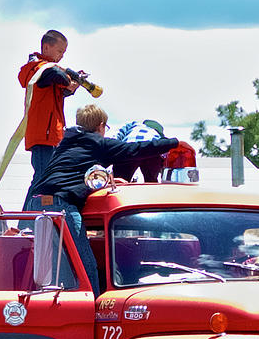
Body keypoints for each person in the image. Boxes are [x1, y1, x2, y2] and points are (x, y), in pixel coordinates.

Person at [24, 105, 179, 295]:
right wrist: (173, 142)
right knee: (84, 262)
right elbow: (135, 149)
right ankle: (94, 307)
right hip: (61, 205)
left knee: (57, 264)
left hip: (37, 202)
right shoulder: (98, 144)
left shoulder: (65, 144)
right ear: (101, 126)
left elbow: (73, 170)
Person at [18, 30, 80, 195]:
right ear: (46, 48)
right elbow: (53, 74)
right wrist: (69, 79)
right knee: (41, 178)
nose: (62, 56)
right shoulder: (37, 67)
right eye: (60, 51)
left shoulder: (47, 71)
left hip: (52, 134)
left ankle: (34, 217)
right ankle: (27, 219)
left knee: (46, 178)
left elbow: (57, 88)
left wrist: (70, 87)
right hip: (43, 135)